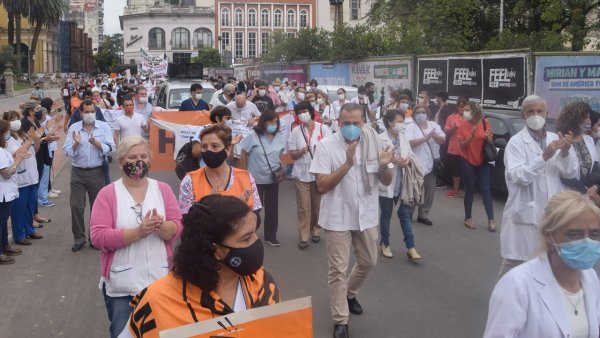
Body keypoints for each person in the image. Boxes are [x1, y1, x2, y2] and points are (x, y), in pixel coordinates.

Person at [124, 195, 279, 337]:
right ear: (216, 249)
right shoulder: (157, 302)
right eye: (246, 238)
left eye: (254, 233)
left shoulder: (262, 283)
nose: (256, 242)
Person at [309, 103, 394, 338]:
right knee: (337, 269)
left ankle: (350, 292)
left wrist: (386, 163)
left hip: (365, 214)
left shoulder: (374, 143)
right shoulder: (326, 147)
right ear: (338, 122)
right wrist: (347, 164)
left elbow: (386, 181)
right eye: (346, 123)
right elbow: (321, 185)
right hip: (337, 216)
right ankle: (340, 320)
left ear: (363, 122)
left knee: (369, 261)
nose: (351, 128)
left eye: (356, 123)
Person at [90, 136, 182, 338]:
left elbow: (177, 228)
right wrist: (137, 232)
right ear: (122, 161)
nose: (138, 162)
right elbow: (98, 236)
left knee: (163, 333)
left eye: (143, 156)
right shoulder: (108, 194)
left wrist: (160, 225)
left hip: (161, 282)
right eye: (132, 157)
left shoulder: (163, 190)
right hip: (123, 286)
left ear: (149, 160)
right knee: (124, 333)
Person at [484, 191, 600, 338]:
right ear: (549, 235)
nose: (587, 242)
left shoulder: (590, 278)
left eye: (595, 234)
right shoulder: (516, 285)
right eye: (575, 234)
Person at [499, 94, 577, 276]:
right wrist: (544, 156)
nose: (535, 115)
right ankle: (504, 302)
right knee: (514, 272)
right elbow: (519, 176)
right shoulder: (516, 143)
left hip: (552, 215)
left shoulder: (555, 139)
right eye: (530, 111)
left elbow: (570, 172)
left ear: (546, 113)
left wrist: (565, 152)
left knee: (547, 270)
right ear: (523, 115)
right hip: (524, 217)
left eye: (539, 111)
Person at [64, 99, 116, 252]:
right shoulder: (74, 128)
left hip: (96, 171)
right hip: (78, 172)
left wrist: (97, 144)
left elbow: (111, 148)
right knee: (77, 206)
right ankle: (79, 238)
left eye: (92, 111)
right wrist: (76, 144)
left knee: (97, 208)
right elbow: (67, 151)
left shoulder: (103, 127)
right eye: (86, 112)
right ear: (80, 113)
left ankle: (94, 238)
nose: (89, 114)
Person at [179, 123, 262, 216]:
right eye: (204, 147)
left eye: (214, 146)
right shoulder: (190, 181)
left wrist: (240, 210)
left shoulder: (246, 177)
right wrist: (206, 207)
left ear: (228, 149)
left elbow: (256, 217)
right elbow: (186, 222)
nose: (208, 151)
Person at [378, 110, 423, 260]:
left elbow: (410, 154)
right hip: (387, 182)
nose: (402, 125)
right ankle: (385, 243)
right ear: (390, 122)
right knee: (386, 214)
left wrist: (407, 161)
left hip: (402, 182)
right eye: (399, 121)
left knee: (405, 214)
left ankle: (411, 247)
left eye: (403, 121)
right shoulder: (380, 139)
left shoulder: (403, 137)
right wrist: (392, 160)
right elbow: (378, 161)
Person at [288, 101, 332, 250]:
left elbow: (330, 151)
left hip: (319, 174)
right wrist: (300, 151)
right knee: (303, 207)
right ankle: (304, 236)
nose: (302, 114)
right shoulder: (295, 131)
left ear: (311, 111)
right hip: (301, 174)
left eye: (304, 111)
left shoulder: (323, 129)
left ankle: (316, 230)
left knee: (317, 206)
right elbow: (292, 155)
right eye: (299, 112)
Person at [240, 111, 284, 247]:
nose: (273, 125)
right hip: (255, 179)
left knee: (272, 209)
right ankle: (246, 233)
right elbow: (243, 154)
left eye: (275, 122)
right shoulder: (253, 136)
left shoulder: (279, 136)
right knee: (254, 209)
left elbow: (280, 154)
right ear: (263, 122)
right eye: (270, 122)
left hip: (273, 179)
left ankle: (271, 236)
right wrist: (245, 174)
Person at [3, 110, 43, 246]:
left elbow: (34, 150)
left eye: (17, 118)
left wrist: (35, 139)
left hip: (31, 176)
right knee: (19, 209)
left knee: (29, 207)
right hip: (20, 179)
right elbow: (17, 153)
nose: (16, 121)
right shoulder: (8, 140)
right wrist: (31, 140)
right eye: (12, 119)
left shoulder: (22, 135)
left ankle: (29, 230)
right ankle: (19, 234)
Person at [457, 102, 496, 231]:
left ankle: (491, 219)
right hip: (467, 160)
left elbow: (490, 141)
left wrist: (488, 138)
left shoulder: (485, 123)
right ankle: (468, 217)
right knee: (470, 189)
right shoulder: (462, 126)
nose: (464, 112)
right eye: (464, 109)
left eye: (468, 110)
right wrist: (472, 136)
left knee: (486, 189)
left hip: (482, 161)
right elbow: (461, 146)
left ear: (474, 111)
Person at [405, 105, 446, 225]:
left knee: (429, 192)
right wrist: (425, 138)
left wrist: (433, 136)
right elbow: (409, 143)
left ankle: (423, 214)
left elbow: (443, 140)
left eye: (423, 112)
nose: (420, 115)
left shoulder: (434, 126)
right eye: (418, 113)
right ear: (414, 115)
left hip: (431, 165)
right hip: (416, 165)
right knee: (414, 190)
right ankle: (409, 213)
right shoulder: (411, 127)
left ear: (427, 113)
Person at [0, 119, 28, 263]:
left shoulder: (3, 149)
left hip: (7, 192)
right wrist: (17, 161)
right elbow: (6, 173)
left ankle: (5, 245)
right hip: (2, 193)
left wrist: (17, 157)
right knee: (1, 222)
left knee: (4, 222)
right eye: (6, 131)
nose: (8, 134)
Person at [555, 102, 598, 194]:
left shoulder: (588, 139)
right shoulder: (559, 139)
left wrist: (595, 187)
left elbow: (595, 167)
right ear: (574, 119)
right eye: (585, 118)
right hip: (567, 195)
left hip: (588, 195)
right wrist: (584, 190)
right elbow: (564, 175)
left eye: (589, 117)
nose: (589, 121)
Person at [443, 97, 467, 197]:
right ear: (457, 107)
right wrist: (453, 128)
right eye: (460, 106)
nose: (462, 108)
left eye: (464, 106)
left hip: (466, 149)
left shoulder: (469, 118)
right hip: (454, 149)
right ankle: (455, 190)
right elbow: (445, 132)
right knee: (456, 171)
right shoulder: (451, 117)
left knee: (466, 171)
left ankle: (468, 191)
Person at [227, 94, 261, 160]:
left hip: (247, 129)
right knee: (234, 149)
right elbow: (225, 118)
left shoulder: (251, 105)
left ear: (245, 102)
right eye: (238, 106)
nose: (240, 108)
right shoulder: (229, 106)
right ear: (235, 101)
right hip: (234, 130)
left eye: (241, 106)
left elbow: (259, 116)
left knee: (246, 149)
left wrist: (254, 119)